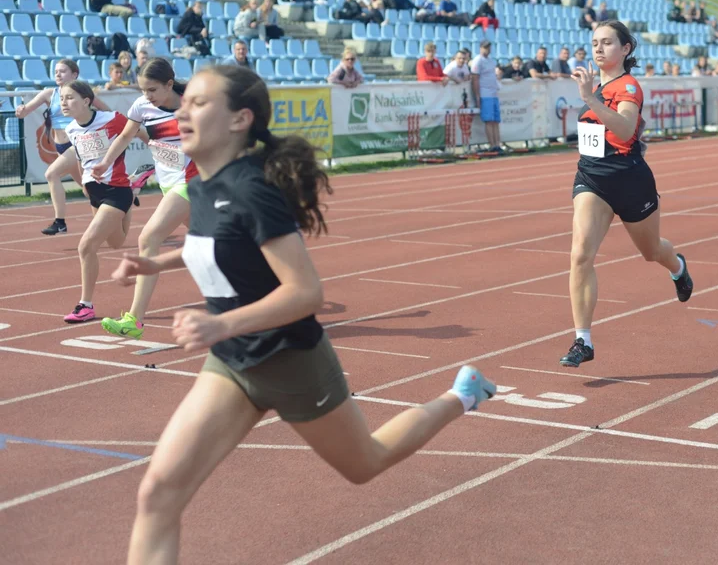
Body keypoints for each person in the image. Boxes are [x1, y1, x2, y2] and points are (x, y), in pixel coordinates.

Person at [109, 65, 496, 563]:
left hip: (291, 361)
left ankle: (460, 396)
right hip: (231, 363)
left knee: (365, 463)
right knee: (158, 493)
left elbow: (305, 292)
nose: (182, 111)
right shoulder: (203, 186)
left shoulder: (252, 190)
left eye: (199, 103)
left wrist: (220, 322)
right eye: (185, 102)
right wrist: (156, 260)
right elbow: (221, 245)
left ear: (239, 119)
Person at [560, 21, 693, 367]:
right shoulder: (593, 83)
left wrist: (590, 98)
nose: (599, 49)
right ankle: (582, 340)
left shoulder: (628, 86)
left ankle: (678, 267)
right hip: (591, 178)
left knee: (652, 251)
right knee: (580, 255)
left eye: (607, 42)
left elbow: (624, 128)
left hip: (630, 179)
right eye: (594, 43)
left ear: (626, 49)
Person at [96, 59, 195, 340]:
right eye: (143, 90)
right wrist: (105, 162)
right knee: (213, 244)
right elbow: (126, 135)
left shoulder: (194, 106)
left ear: (169, 84)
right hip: (168, 184)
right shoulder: (141, 107)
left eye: (152, 90)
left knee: (148, 239)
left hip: (192, 182)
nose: (147, 96)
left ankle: (134, 320)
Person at [62, 80, 136, 323]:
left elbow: (137, 131)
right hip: (95, 191)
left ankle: (85, 305)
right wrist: (84, 183)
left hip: (115, 190)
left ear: (86, 101)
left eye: (70, 97)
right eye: (62, 98)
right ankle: (133, 193)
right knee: (116, 243)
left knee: (86, 246)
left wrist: (160, 152)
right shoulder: (71, 129)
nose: (64, 102)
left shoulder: (111, 119)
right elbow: (84, 160)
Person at [14, 59, 111, 235]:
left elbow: (108, 112)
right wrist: (21, 109)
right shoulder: (49, 94)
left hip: (79, 144)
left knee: (51, 173)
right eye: (56, 71)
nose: (58, 74)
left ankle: (60, 222)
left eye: (63, 71)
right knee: (88, 189)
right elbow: (25, 110)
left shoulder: (83, 93)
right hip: (61, 146)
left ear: (74, 74)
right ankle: (118, 206)